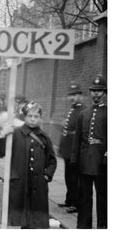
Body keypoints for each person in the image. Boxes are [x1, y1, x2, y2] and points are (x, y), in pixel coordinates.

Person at [4, 102, 57, 228]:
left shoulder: (44, 137)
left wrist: (46, 176)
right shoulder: (15, 134)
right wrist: (4, 135)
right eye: (30, 116)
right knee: (21, 219)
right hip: (20, 183)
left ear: (40, 118)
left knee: (36, 221)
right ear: (25, 117)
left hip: (38, 185)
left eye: (36, 117)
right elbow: (1, 152)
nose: (33, 119)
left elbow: (52, 160)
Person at [71, 75, 107, 229]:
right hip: (85, 161)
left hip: (101, 162)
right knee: (84, 196)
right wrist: (74, 160)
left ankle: (103, 225)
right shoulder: (83, 113)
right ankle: (83, 226)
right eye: (93, 91)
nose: (96, 94)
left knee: (103, 196)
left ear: (104, 93)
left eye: (99, 91)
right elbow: (77, 139)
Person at [58, 82, 85, 213]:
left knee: (75, 179)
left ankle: (76, 203)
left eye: (75, 95)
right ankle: (69, 200)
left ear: (80, 96)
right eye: (71, 95)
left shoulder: (82, 110)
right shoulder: (73, 109)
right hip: (68, 150)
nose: (72, 97)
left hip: (75, 151)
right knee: (68, 177)